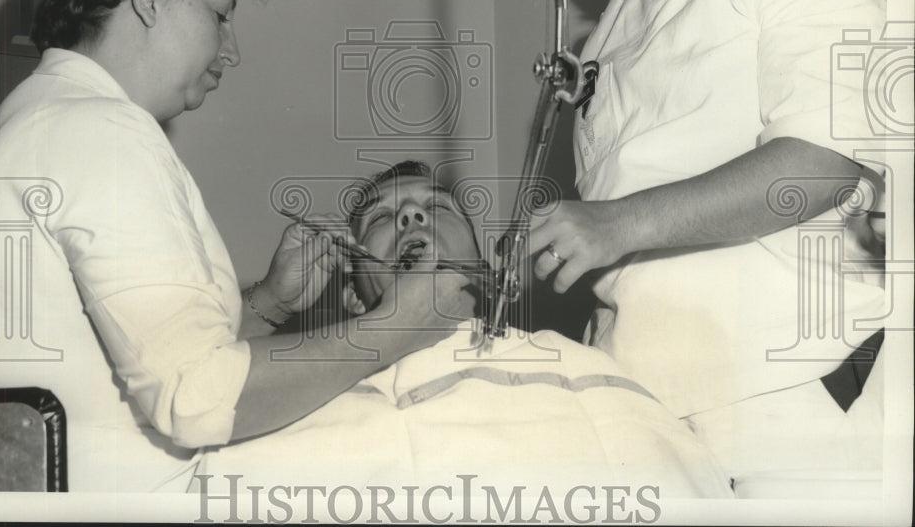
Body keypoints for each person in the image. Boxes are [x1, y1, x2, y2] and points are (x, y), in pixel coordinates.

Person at [0, 0, 474, 493]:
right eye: (220, 14)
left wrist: (269, 301)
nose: (231, 49)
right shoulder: (101, 132)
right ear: (148, 0)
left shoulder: (43, 126)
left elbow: (134, 356)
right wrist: (398, 327)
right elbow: (196, 398)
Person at [525, 0, 886, 485]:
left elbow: (823, 164)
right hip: (642, 410)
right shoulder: (608, 31)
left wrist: (617, 223)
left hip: (790, 393)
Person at [194, 161, 735, 506]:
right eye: (383, 219)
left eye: (435, 208)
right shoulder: (295, 390)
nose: (409, 216)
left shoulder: (577, 369)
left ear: (488, 270)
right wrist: (266, 303)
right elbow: (190, 403)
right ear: (355, 293)